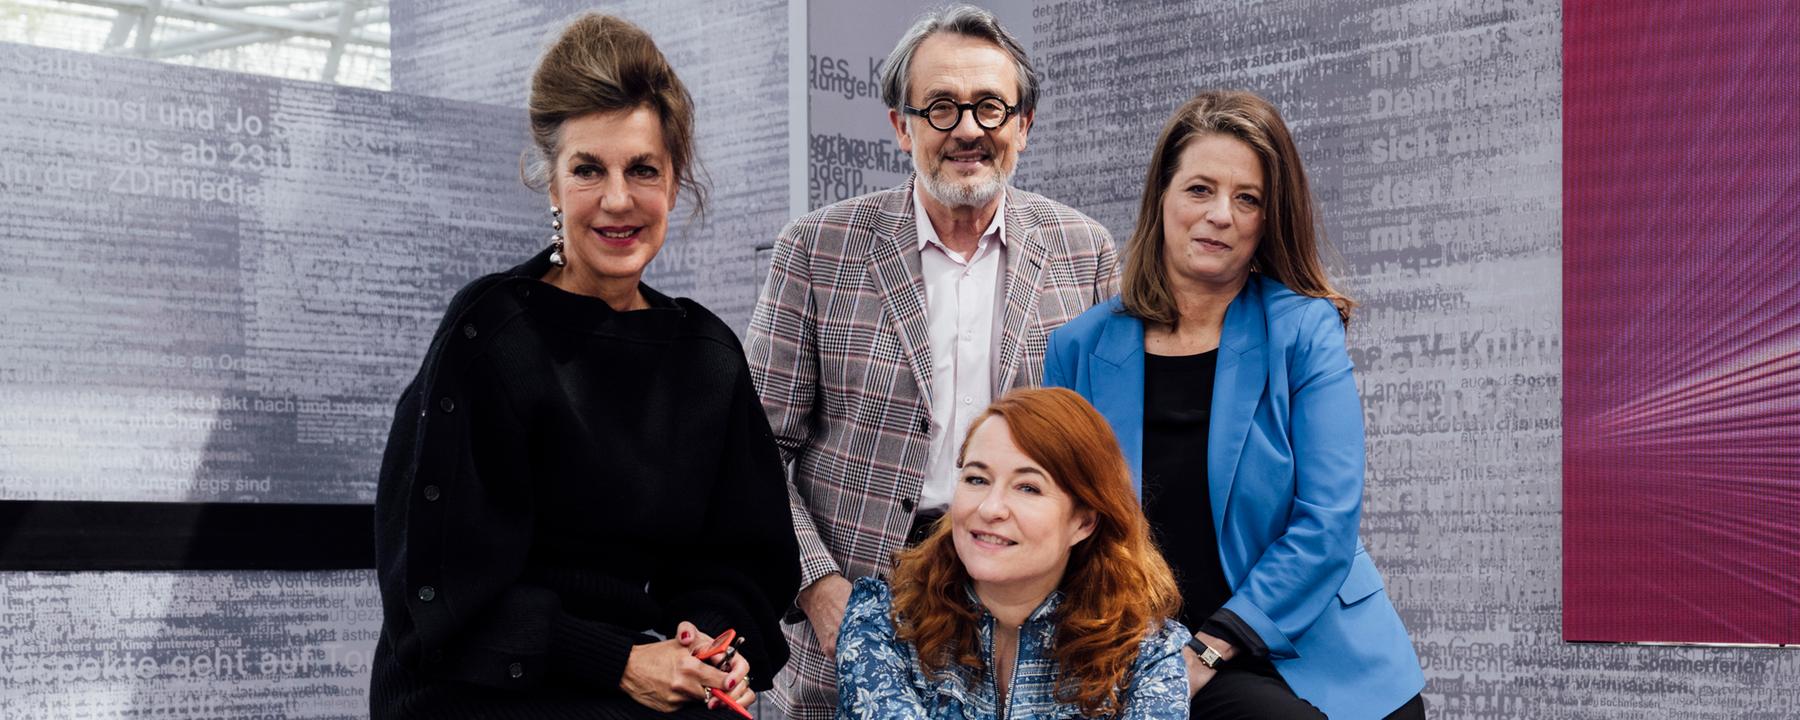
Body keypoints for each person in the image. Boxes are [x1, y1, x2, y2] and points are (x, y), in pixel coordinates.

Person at [369, 14, 799, 718]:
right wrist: (618, 661)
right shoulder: (488, 335)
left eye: (643, 170)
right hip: (484, 689)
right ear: (550, 183)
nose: (618, 200)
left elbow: (747, 560)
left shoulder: (707, 355)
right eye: (588, 170)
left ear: (675, 180)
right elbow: (436, 590)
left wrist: (718, 644)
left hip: (650, 680)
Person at [745, 6, 1119, 718]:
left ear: (1024, 125)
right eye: (942, 108)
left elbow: (1101, 455)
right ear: (901, 125)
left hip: (1029, 615)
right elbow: (756, 447)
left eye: (989, 107)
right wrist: (818, 588)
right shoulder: (817, 249)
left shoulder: (1086, 250)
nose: (968, 130)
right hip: (861, 611)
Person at [1044, 90, 1427, 720]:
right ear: (1162, 198)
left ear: (1267, 219)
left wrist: (1213, 647)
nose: (1221, 215)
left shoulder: (1303, 330)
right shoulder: (1079, 348)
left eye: (1246, 198)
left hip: (1318, 646)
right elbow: (1065, 524)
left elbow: (1327, 521)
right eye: (1199, 189)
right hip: (1157, 650)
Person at [835, 388, 1189, 719]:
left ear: (1083, 522)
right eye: (976, 479)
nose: (991, 508)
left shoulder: (1149, 653)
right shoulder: (881, 622)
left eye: (1028, 487)